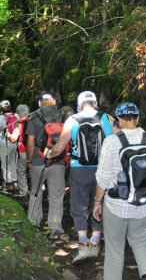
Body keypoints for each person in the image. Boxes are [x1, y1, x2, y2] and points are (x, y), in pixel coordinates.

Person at [92, 102, 146, 280]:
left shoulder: (111, 142)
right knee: (140, 241)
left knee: (115, 249)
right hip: (143, 205)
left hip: (116, 206)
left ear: (118, 119)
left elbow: (102, 178)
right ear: (138, 118)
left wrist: (97, 202)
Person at [47, 90, 114, 263]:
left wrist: (49, 154)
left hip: (79, 169)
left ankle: (84, 245)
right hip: (101, 169)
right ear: (96, 103)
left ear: (79, 105)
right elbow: (114, 143)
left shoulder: (72, 120)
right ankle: (96, 242)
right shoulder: (105, 118)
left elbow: (60, 147)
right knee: (99, 203)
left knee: (79, 206)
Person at [25, 92, 66, 240]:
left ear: (40, 103)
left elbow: (30, 142)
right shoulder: (63, 115)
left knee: (36, 192)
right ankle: (55, 228)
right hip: (58, 161)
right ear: (54, 101)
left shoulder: (35, 116)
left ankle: (34, 224)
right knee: (56, 195)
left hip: (38, 160)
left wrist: (29, 161)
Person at [0, 100, 19, 191]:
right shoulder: (16, 115)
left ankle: (9, 183)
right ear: (10, 107)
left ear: (2, 108)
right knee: (13, 162)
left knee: (4, 162)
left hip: (5, 142)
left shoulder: (1, 117)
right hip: (15, 142)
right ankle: (15, 182)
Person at [15, 104, 30, 198]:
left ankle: (23, 192)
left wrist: (8, 133)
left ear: (19, 114)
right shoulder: (33, 122)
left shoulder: (20, 124)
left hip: (23, 150)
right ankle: (38, 189)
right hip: (34, 150)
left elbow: (14, 138)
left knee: (21, 171)